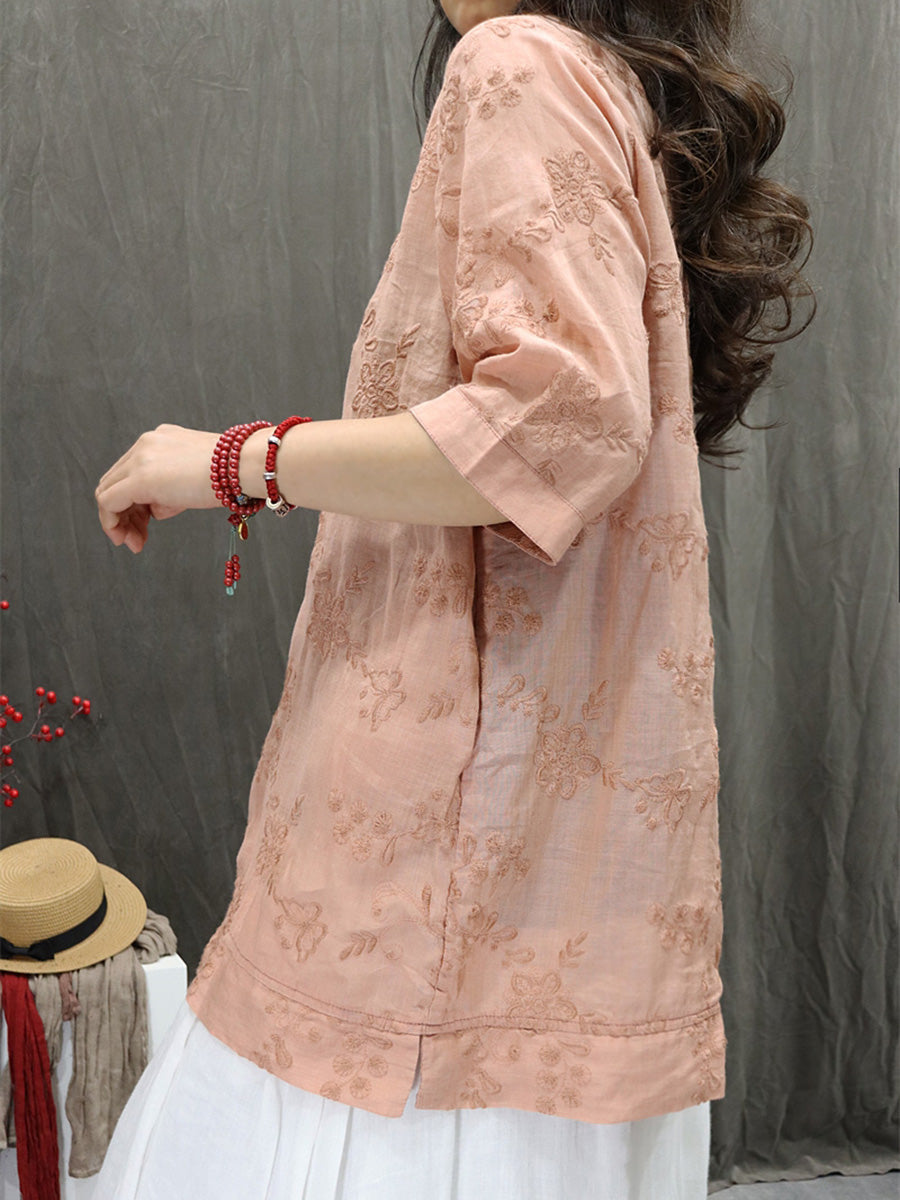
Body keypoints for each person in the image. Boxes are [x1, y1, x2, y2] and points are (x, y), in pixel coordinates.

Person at [91, 1, 814, 1197]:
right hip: (545, 831)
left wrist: (232, 463)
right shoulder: (597, 81)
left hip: (448, 841)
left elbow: (560, 421)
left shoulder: (518, 60)